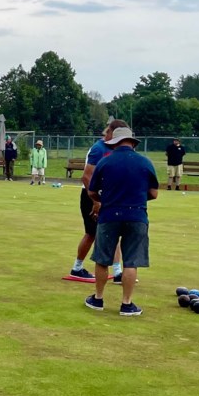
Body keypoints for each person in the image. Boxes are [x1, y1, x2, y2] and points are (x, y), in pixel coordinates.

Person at [84, 126, 158, 316]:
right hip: (137, 216)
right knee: (131, 261)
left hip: (109, 215)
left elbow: (91, 191)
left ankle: (98, 299)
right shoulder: (145, 162)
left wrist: (105, 199)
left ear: (114, 143)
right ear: (133, 143)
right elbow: (153, 193)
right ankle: (127, 304)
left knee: (102, 259)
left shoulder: (105, 162)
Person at [68, 119, 127, 283]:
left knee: (114, 232)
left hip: (110, 197)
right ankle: (77, 268)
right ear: (110, 133)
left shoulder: (117, 149)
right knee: (92, 233)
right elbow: (87, 177)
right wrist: (96, 200)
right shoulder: (98, 149)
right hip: (90, 196)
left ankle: (117, 273)